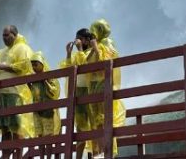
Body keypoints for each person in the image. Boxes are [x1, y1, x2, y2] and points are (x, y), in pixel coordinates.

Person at [60, 28, 114, 156]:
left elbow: (84, 64)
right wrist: (68, 54)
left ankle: (97, 154)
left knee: (94, 123)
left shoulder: (91, 51)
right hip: (78, 90)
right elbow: (68, 68)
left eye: (81, 39)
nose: (79, 41)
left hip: (89, 89)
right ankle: (78, 156)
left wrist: (79, 50)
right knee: (80, 126)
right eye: (77, 39)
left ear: (87, 39)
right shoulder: (78, 53)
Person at [0, 25, 35, 141]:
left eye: (7, 35)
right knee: (4, 125)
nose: (4, 38)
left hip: (15, 92)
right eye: (3, 35)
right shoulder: (0, 52)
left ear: (15, 35)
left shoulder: (22, 48)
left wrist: (6, 67)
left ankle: (17, 154)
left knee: (16, 125)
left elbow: (25, 66)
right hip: (0, 94)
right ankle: (6, 154)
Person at [90, 19, 127, 132]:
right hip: (94, 84)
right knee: (96, 118)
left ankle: (108, 148)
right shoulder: (97, 44)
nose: (93, 35)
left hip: (104, 83)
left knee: (105, 117)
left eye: (94, 31)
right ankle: (101, 148)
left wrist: (95, 48)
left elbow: (106, 61)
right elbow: (87, 62)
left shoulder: (107, 43)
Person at [28, 51, 61, 138]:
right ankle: (42, 152)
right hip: (37, 109)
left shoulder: (49, 76)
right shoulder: (34, 78)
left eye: (36, 64)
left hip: (47, 110)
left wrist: (45, 81)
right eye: (32, 65)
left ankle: (49, 152)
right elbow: (33, 93)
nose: (33, 67)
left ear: (42, 64)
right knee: (39, 133)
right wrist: (28, 84)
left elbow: (54, 92)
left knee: (48, 133)